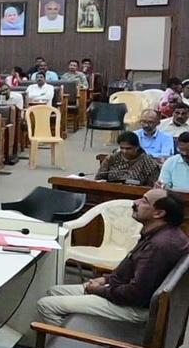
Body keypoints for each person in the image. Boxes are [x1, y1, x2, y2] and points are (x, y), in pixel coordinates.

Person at [36, 189, 188, 328]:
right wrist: (105, 279)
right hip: (125, 293)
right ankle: (77, 330)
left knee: (46, 305)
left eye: (144, 201)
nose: (135, 202)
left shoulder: (158, 246)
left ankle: (72, 343)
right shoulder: (163, 234)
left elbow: (135, 295)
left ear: (159, 214)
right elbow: (131, 271)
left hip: (134, 308)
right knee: (54, 291)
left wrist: (99, 290)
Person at [95, 132, 161, 186]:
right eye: (122, 148)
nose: (124, 151)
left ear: (137, 147)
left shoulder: (148, 162)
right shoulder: (112, 158)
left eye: (128, 148)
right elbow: (98, 179)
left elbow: (153, 185)